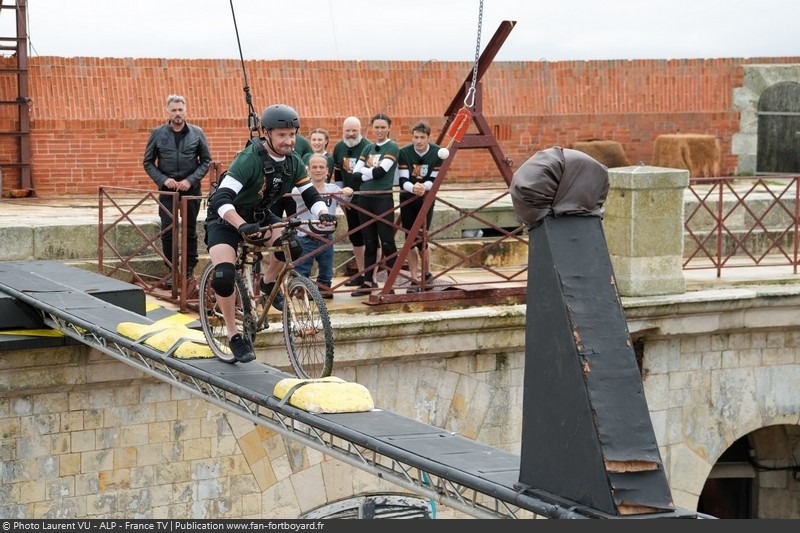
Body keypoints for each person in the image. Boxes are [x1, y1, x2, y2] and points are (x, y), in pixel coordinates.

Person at [204, 104, 337, 363]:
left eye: (292, 134)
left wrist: (322, 213)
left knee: (292, 245)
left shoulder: (294, 161)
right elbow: (221, 198)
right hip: (225, 218)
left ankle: (267, 284)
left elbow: (310, 193)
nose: (288, 141)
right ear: (266, 134)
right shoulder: (249, 159)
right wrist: (240, 225)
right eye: (282, 135)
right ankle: (234, 335)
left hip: (259, 216)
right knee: (223, 276)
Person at [143, 94, 211, 288]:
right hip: (168, 191)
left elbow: (205, 161)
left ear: (185, 110)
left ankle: (188, 271)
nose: (178, 113)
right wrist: (164, 180)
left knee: (189, 231)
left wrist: (190, 180)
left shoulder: (197, 133)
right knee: (167, 230)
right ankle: (172, 270)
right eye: (174, 110)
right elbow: (148, 162)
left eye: (180, 109)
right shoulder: (157, 133)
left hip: (190, 190)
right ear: (168, 111)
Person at [350, 113, 400, 297]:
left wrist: (365, 172)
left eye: (382, 127)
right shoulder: (368, 148)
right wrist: (368, 172)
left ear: (388, 128)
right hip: (365, 198)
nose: (379, 130)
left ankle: (391, 282)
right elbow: (354, 175)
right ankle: (367, 282)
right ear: (372, 128)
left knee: (387, 242)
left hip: (383, 199)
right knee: (369, 242)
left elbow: (381, 172)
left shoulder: (392, 147)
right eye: (376, 127)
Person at [293, 153, 353, 298]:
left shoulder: (332, 189)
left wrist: (349, 191)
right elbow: (297, 194)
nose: (318, 170)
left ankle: (324, 290)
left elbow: (347, 197)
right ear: (308, 171)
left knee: (326, 267)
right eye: (314, 167)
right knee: (303, 267)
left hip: (326, 236)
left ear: (327, 171)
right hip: (306, 236)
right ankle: (303, 291)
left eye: (321, 167)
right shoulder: (299, 190)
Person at [397, 121, 443, 293]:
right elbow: (402, 179)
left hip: (426, 199)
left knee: (423, 238)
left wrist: (424, 188)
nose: (418, 141)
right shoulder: (404, 153)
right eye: (415, 137)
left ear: (428, 138)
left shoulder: (437, 153)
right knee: (409, 239)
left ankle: (427, 273)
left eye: (422, 137)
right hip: (408, 197)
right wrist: (413, 188)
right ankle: (414, 278)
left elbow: (434, 178)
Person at [332, 116, 370, 287]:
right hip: (349, 199)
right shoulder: (339, 147)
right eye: (347, 130)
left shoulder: (368, 147)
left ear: (360, 130)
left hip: (366, 197)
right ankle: (361, 273)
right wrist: (341, 197)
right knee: (355, 235)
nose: (351, 134)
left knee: (369, 235)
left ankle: (371, 276)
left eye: (354, 130)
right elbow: (338, 174)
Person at [270, 133, 313, 219]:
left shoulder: (303, 142)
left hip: (293, 191)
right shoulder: (270, 140)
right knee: (272, 223)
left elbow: (308, 161)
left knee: (294, 223)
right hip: (273, 191)